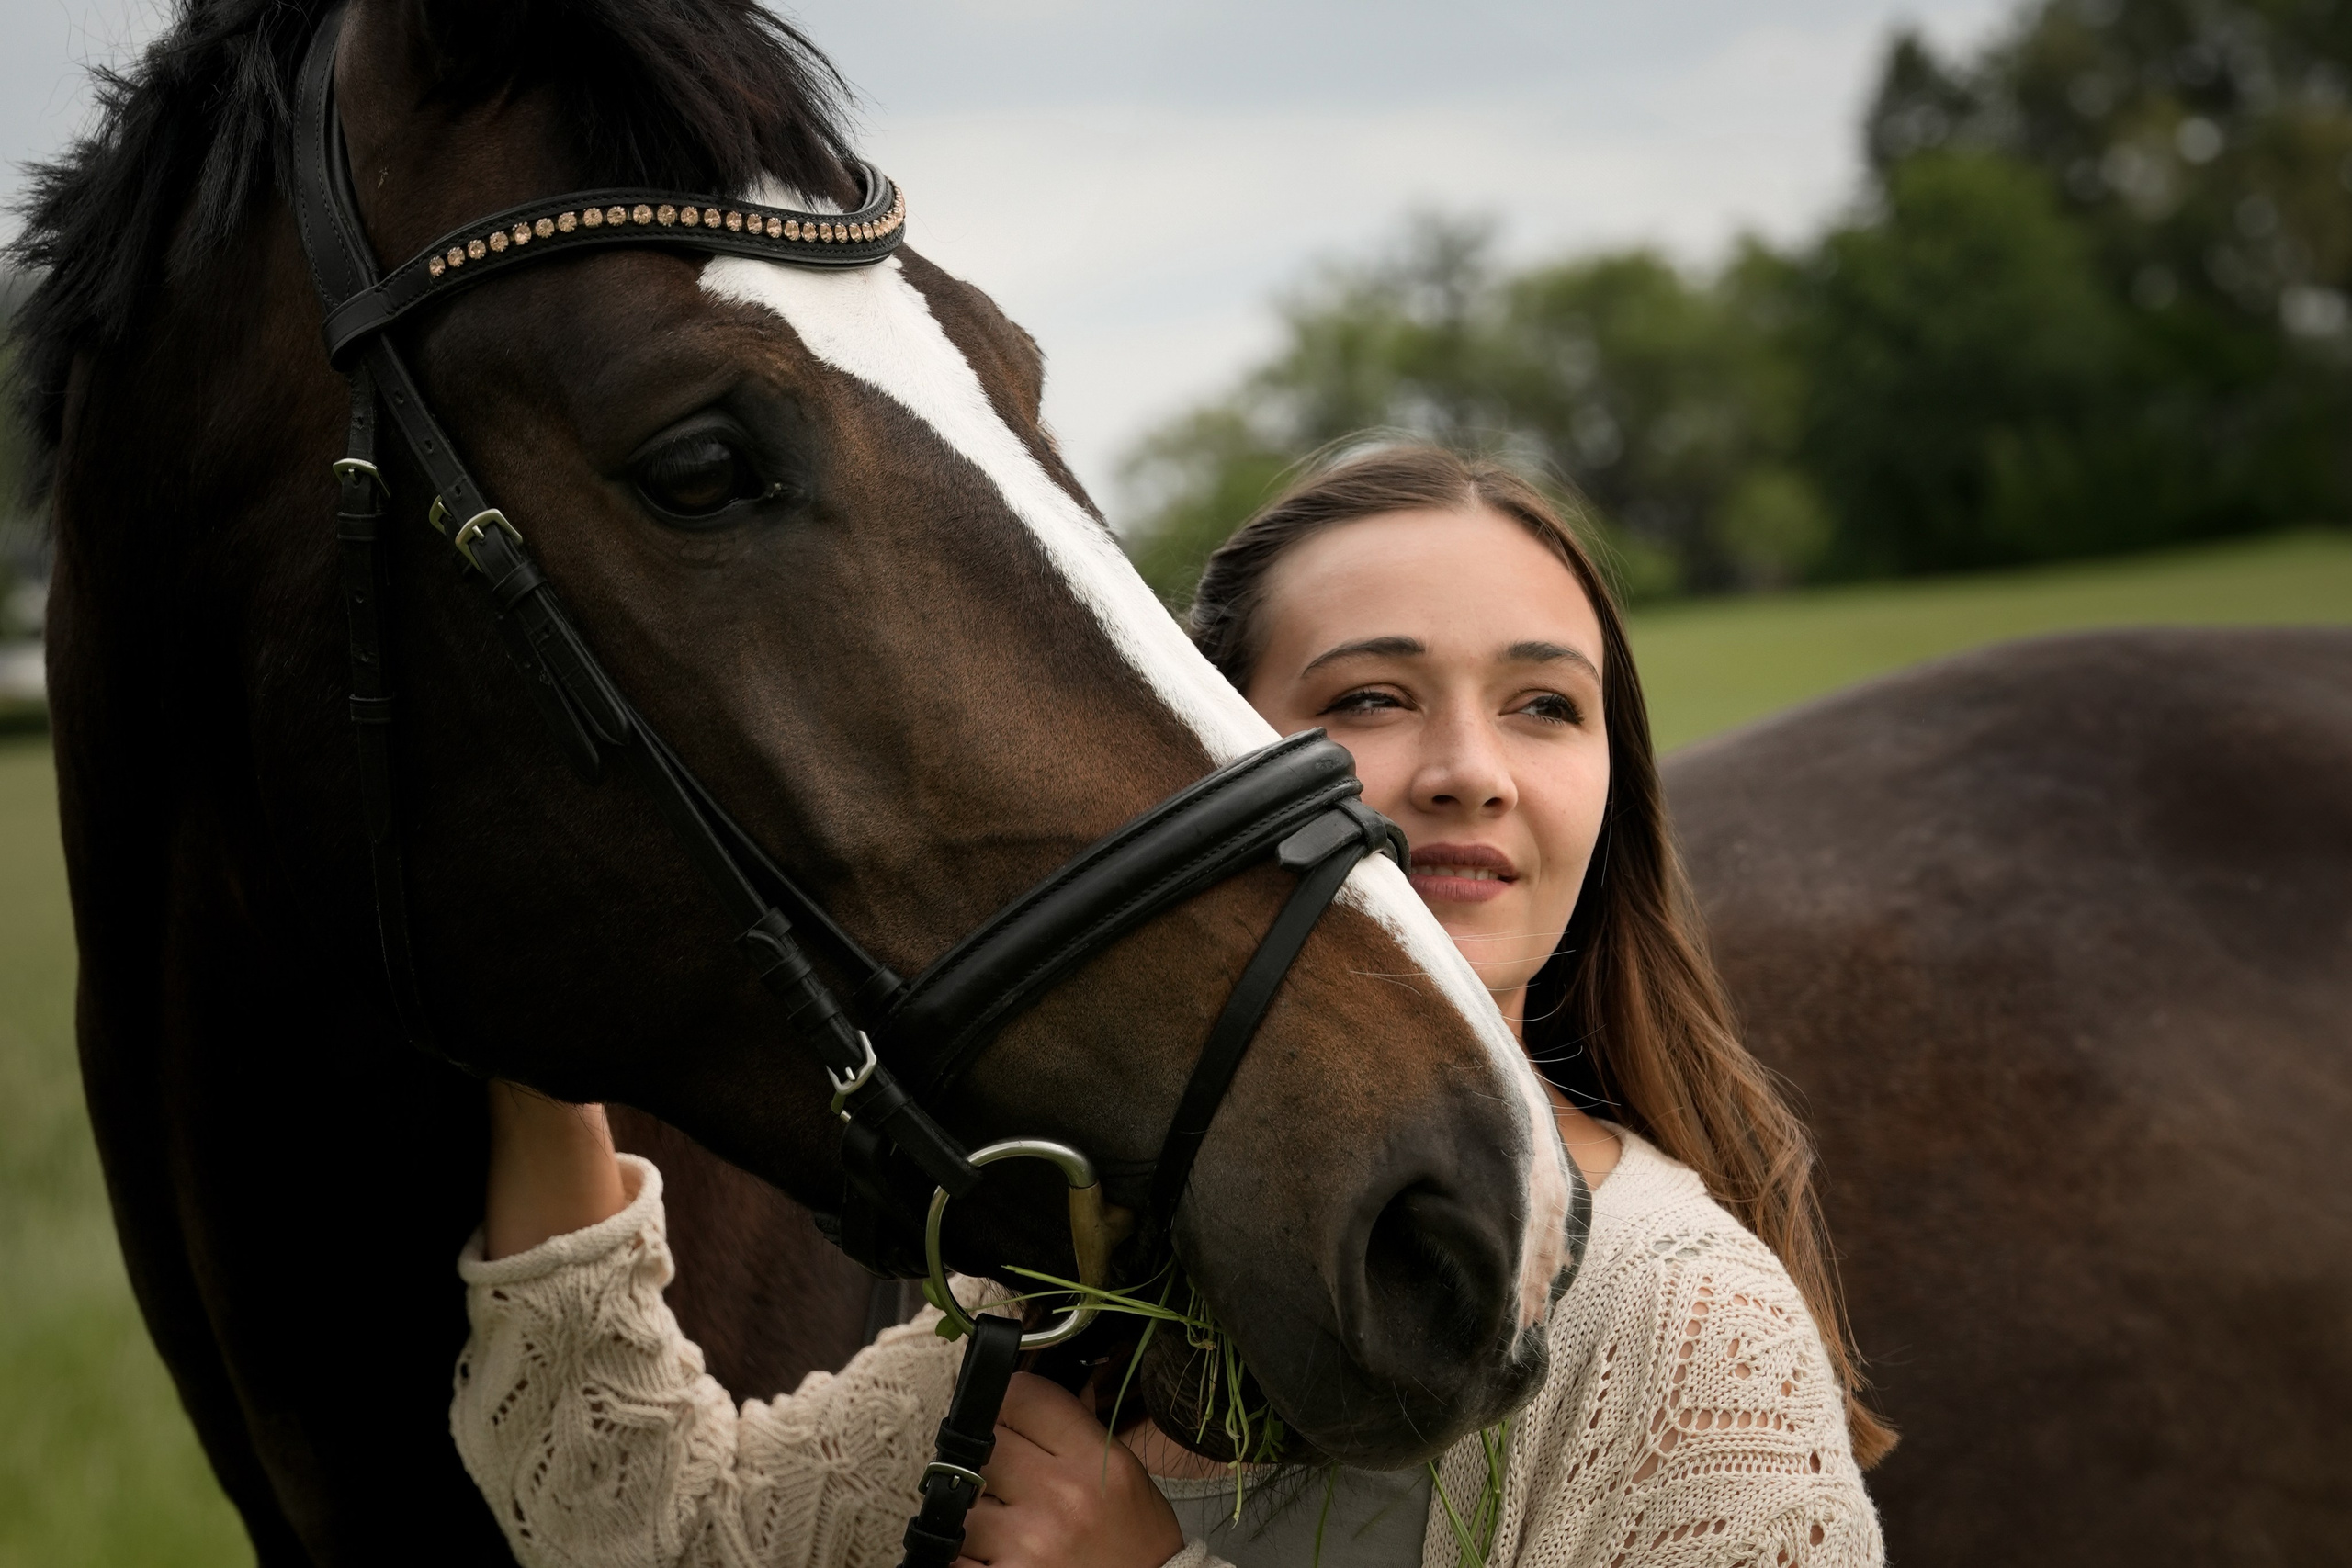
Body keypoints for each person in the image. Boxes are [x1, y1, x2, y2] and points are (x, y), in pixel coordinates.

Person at [455, 444, 1891, 1568]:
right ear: (1190, 765)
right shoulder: (1094, 1294)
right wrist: (539, 1045)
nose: (1469, 768)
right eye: (1372, 698)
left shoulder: (1686, 1327)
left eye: (1544, 706)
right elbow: (667, 1542)